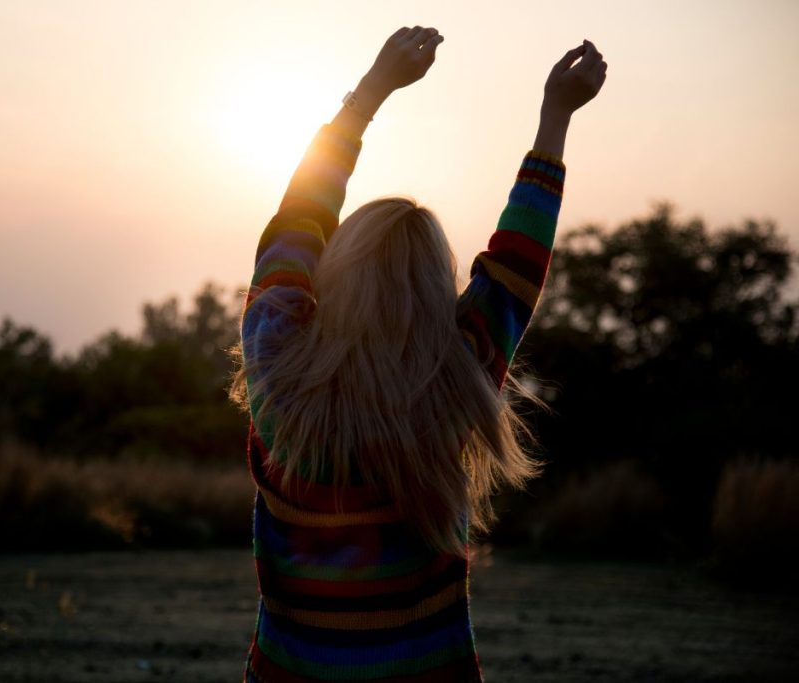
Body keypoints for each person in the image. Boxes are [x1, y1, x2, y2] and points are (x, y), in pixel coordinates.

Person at [230, 26, 607, 682]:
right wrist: (556, 116)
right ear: (438, 291)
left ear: (332, 273)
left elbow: (297, 219)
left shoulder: (278, 367)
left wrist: (371, 92)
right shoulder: (458, 377)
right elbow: (517, 263)